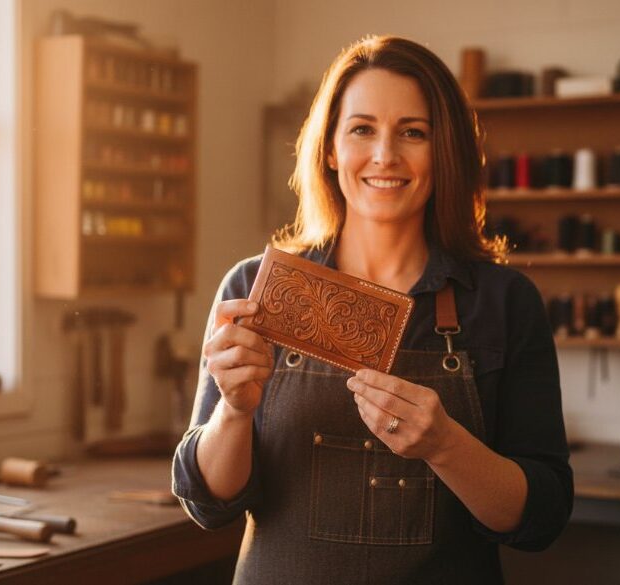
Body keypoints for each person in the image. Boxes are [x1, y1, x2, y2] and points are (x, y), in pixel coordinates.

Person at [172, 35, 573, 584]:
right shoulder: (255, 288)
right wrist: (235, 412)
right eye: (362, 129)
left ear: (445, 151)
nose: (385, 155)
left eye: (413, 132)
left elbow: (542, 518)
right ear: (330, 149)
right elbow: (208, 504)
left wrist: (446, 446)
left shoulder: (504, 302)